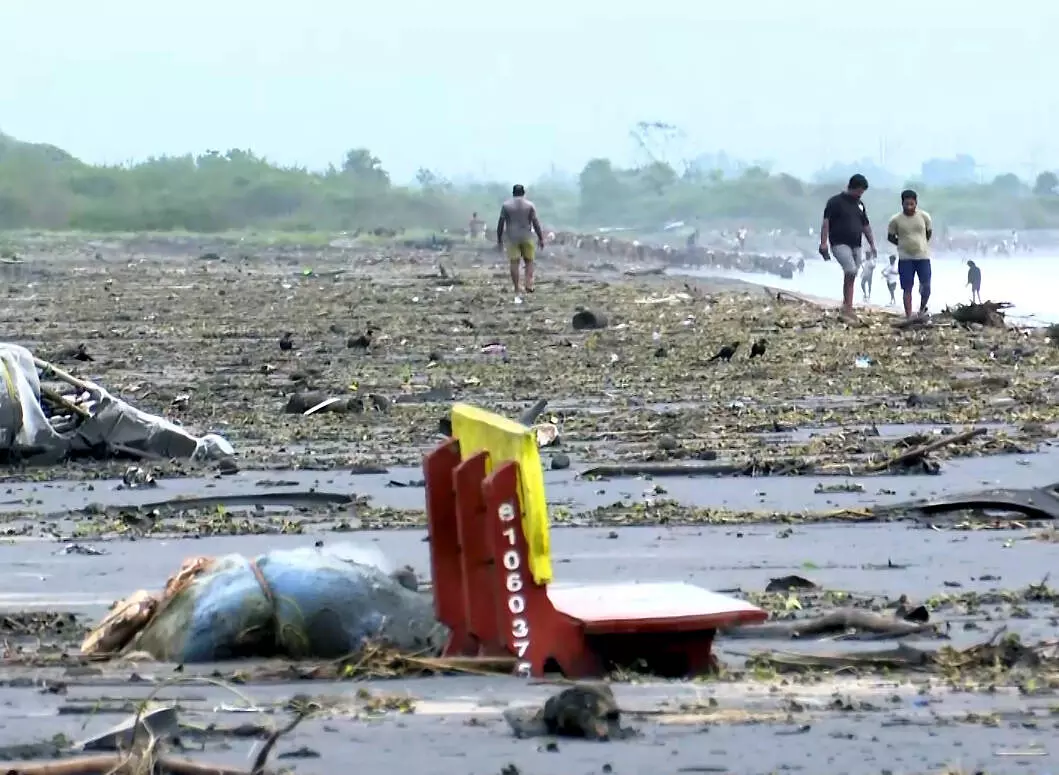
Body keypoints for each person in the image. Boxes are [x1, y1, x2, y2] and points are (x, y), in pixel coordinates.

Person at [820, 173, 878, 319]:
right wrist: (823, 243)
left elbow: (866, 226)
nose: (860, 194)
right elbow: (826, 223)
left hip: (856, 244)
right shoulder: (834, 202)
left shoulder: (860, 204)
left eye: (862, 192)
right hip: (839, 242)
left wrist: (872, 244)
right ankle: (848, 306)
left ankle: (847, 305)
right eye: (859, 191)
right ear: (851, 187)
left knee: (852, 274)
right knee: (850, 270)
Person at [886, 189, 933, 319]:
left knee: (926, 286)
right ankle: (908, 315)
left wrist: (921, 244)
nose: (909, 207)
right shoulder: (895, 220)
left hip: (923, 257)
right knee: (907, 288)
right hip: (905, 258)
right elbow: (890, 237)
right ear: (902, 203)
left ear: (916, 203)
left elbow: (928, 234)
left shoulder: (924, 217)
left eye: (912, 204)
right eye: (906, 204)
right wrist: (902, 244)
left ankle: (922, 309)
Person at [497, 184, 545, 300]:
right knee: (529, 261)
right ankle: (528, 284)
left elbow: (501, 223)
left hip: (512, 237)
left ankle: (517, 289)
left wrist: (499, 239)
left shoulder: (506, 205)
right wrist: (541, 238)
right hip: (527, 236)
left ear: (513, 193)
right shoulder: (529, 205)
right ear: (524, 193)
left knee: (514, 262)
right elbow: (535, 222)